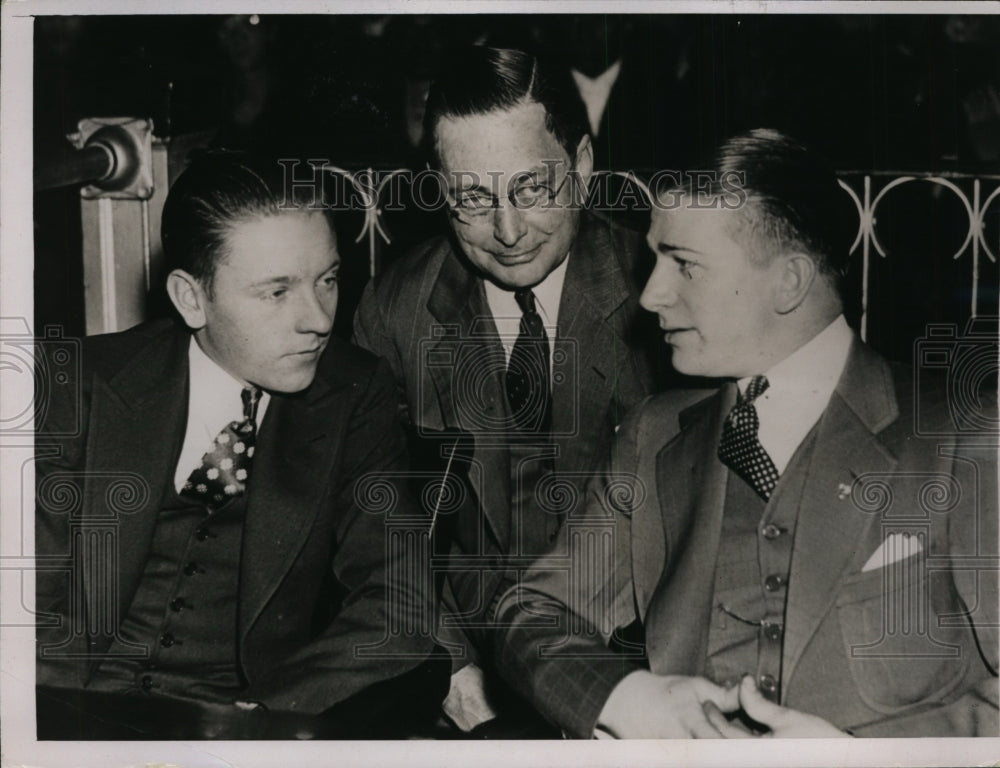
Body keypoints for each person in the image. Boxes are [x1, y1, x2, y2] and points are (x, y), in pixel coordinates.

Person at [491, 129, 999, 738]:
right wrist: (625, 700)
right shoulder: (652, 438)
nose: (651, 294)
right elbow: (529, 614)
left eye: (684, 264)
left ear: (788, 283)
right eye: (655, 259)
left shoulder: (966, 436)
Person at [34, 153, 447, 739]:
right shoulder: (73, 386)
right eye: (276, 292)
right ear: (191, 298)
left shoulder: (354, 394)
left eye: (328, 280)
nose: (318, 320)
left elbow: (398, 604)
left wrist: (267, 716)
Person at [353, 47, 659, 733]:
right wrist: (454, 669)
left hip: (637, 667)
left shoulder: (666, 294)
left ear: (580, 167)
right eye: (472, 198)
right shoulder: (396, 309)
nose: (509, 231)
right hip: (467, 670)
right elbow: (376, 521)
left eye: (531, 189)